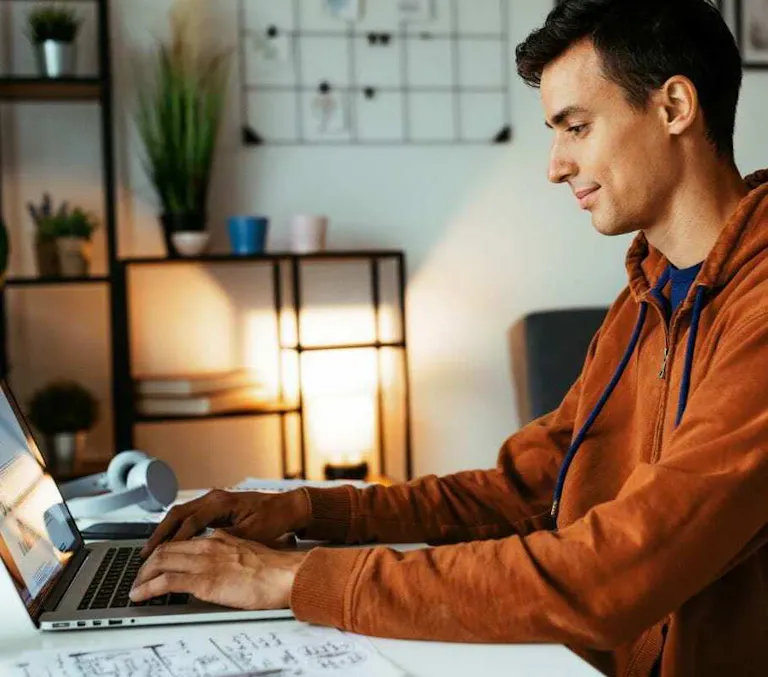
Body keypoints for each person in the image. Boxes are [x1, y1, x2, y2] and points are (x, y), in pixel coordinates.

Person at [130, 1, 768, 674]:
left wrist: (293, 578)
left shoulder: (757, 312)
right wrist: (308, 506)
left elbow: (608, 573)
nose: (556, 165)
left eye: (576, 127)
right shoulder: (647, 296)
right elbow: (516, 491)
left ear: (673, 108)